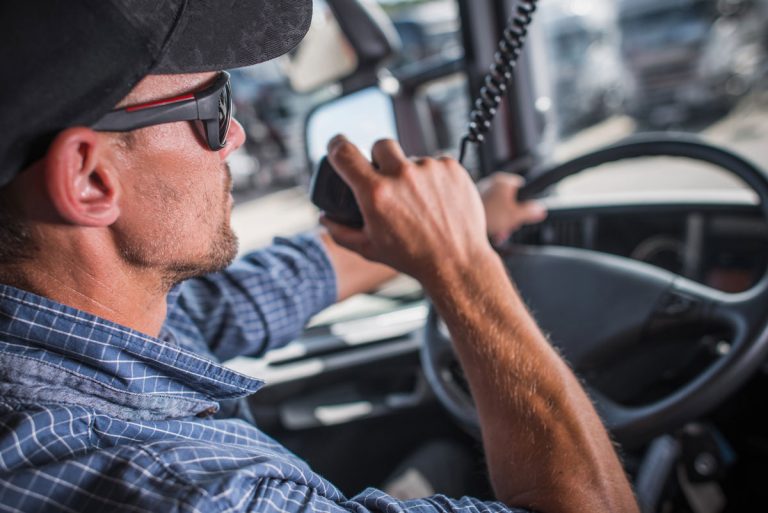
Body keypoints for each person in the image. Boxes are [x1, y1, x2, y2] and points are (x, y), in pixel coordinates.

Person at [0, 2, 639, 512]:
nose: (238, 137)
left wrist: (445, 226)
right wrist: (465, 269)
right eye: (214, 107)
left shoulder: (65, 333)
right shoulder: (200, 491)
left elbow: (256, 293)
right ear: (89, 181)